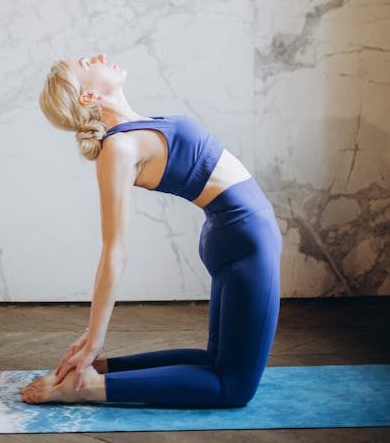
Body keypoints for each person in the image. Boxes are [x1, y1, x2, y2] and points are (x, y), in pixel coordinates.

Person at [20, 53, 282, 408]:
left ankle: (95, 371)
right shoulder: (119, 147)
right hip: (245, 241)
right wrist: (94, 336)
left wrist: (92, 352)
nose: (98, 56)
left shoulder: (134, 127)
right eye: (86, 63)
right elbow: (115, 251)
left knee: (214, 363)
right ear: (88, 97)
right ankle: (85, 387)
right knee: (233, 387)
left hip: (236, 235)